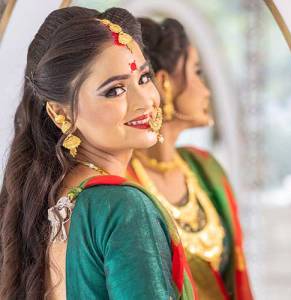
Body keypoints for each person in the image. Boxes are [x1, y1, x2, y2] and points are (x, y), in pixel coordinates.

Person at [0, 7, 198, 299]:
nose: (145, 101)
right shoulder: (123, 207)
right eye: (115, 90)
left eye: (143, 78)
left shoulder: (43, 200)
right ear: (59, 112)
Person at [128, 17, 253, 300]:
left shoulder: (205, 168)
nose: (206, 90)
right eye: (196, 72)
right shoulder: (124, 182)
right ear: (164, 83)